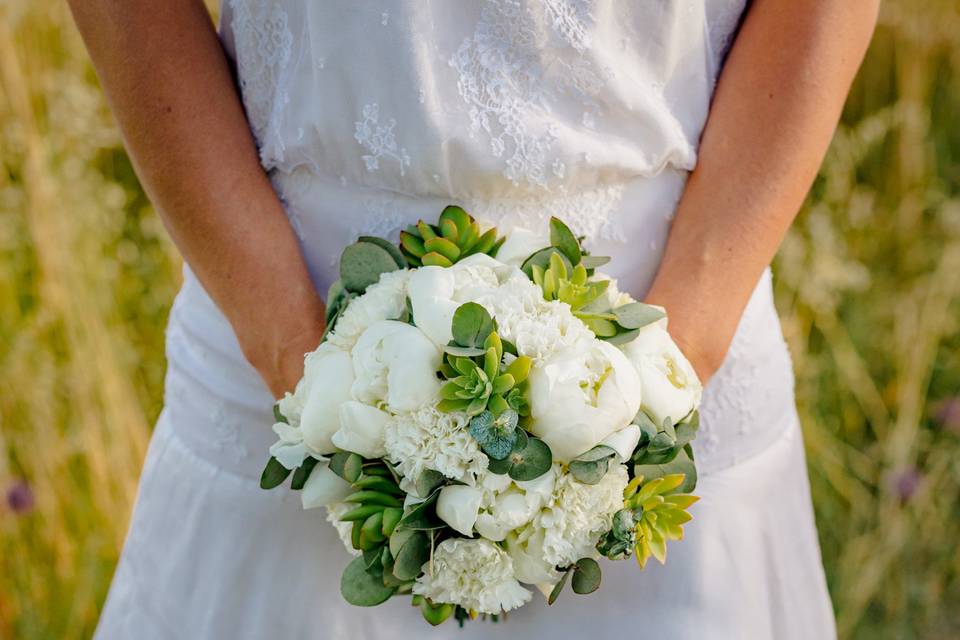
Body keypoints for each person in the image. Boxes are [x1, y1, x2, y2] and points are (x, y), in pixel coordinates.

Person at [69, 1, 877, 638]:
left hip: (677, 357)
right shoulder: (292, 366)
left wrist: (676, 362)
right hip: (288, 359)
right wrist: (294, 354)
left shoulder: (673, 379)